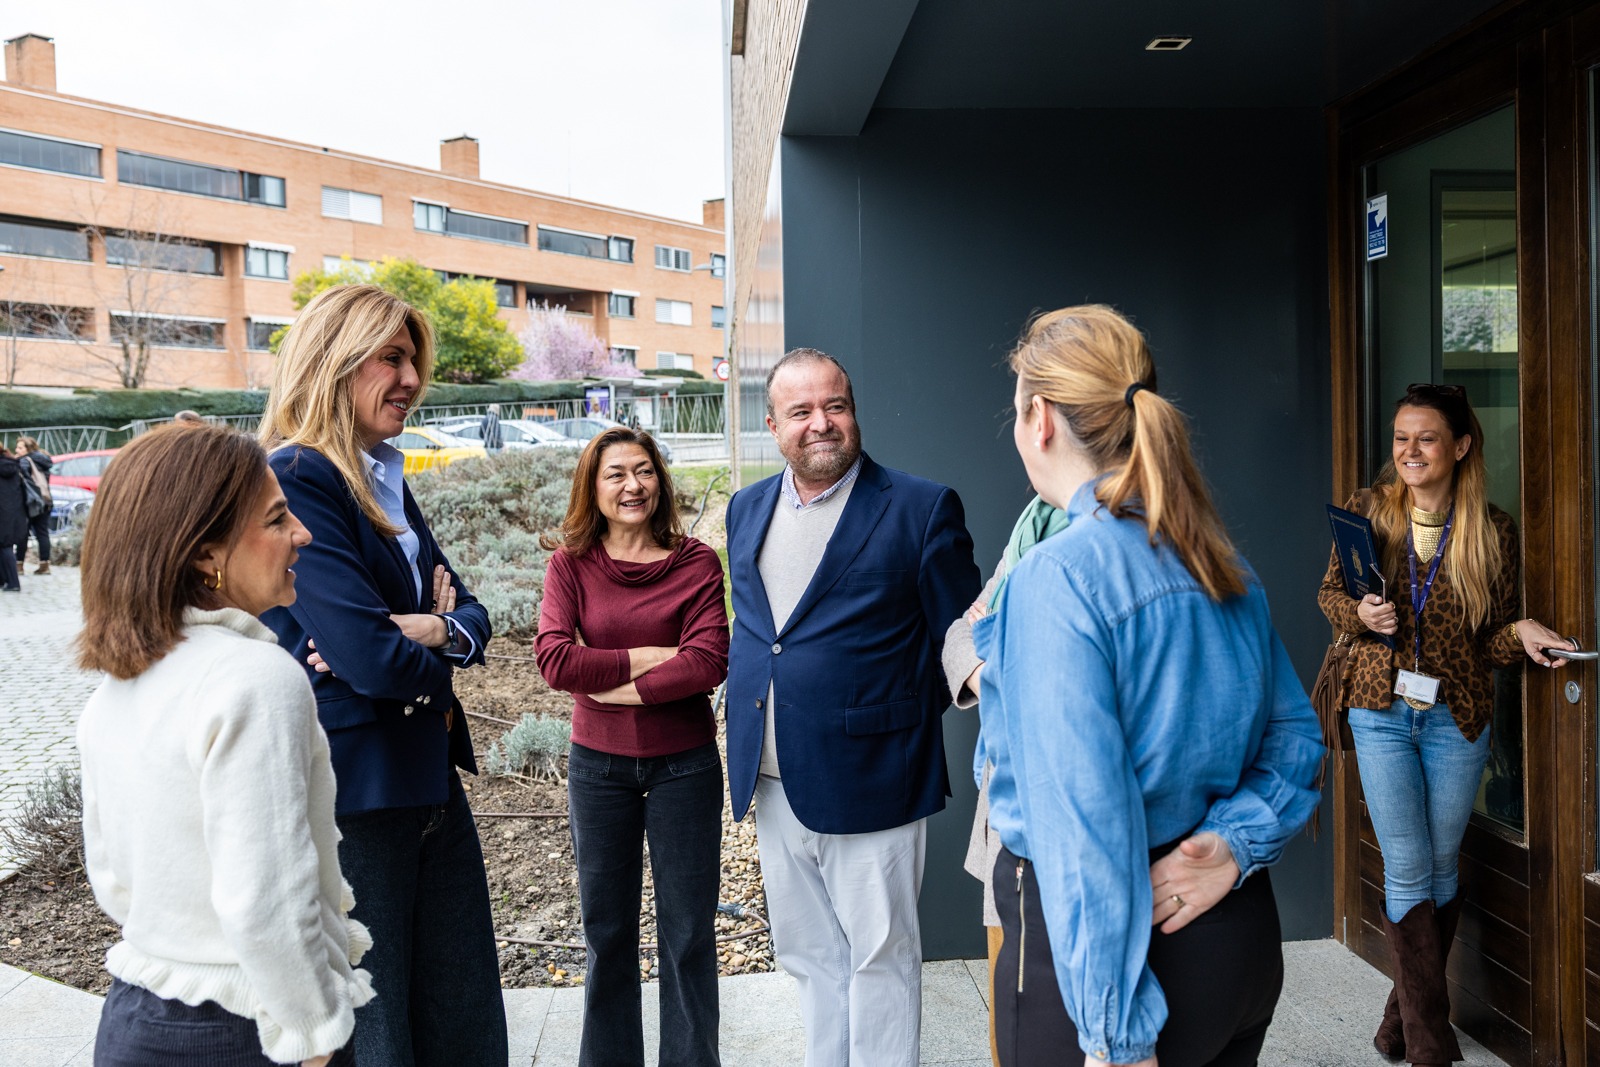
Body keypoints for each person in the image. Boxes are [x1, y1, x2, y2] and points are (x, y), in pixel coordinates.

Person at [975, 305, 1324, 1067]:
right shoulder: (1220, 559)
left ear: (1040, 418)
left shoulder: (1056, 578)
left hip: (1112, 969)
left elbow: (1086, 826)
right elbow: (1297, 738)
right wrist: (1235, 842)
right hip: (1234, 942)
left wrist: (1117, 1033)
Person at [257, 284, 506, 1066]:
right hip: (357, 796)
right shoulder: (299, 474)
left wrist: (436, 628)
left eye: (414, 361)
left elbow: (474, 612)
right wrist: (427, 648)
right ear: (334, 361)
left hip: (426, 778)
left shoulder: (379, 475)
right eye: (391, 358)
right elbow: (367, 653)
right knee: (381, 1029)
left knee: (462, 1019)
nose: (411, 379)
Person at [76, 423, 370, 1066]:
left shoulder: (116, 689)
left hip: (134, 1013)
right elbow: (268, 896)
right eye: (277, 518)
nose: (302, 534)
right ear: (206, 553)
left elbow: (113, 880)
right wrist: (314, 1031)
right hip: (248, 1028)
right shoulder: (255, 678)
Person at [724, 347, 980, 1067]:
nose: (821, 423)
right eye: (801, 411)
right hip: (772, 777)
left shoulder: (921, 506)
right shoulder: (747, 508)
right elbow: (764, 633)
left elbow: (961, 635)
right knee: (809, 956)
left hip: (875, 776)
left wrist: (892, 717)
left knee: (880, 958)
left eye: (835, 405)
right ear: (773, 425)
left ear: (854, 411)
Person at [1318, 382, 1573, 1066]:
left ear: (1459, 447)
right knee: (1407, 865)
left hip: (1457, 717)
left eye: (1426, 438)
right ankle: (1432, 1045)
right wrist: (1359, 614)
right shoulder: (1367, 510)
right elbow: (1330, 593)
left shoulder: (1492, 529)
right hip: (1379, 709)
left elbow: (1489, 637)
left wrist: (1521, 631)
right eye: (1401, 438)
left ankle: (1399, 1023)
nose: (1410, 450)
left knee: (1437, 866)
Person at [535, 426, 730, 1067]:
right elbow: (555, 660)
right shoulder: (570, 565)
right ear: (592, 488)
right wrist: (651, 657)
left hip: (685, 767)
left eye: (643, 471)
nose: (632, 485)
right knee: (607, 932)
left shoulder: (696, 562)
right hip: (598, 771)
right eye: (615, 473)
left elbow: (708, 661)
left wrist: (607, 681)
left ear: (660, 482)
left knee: (689, 934)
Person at [941, 494, 1068, 1067]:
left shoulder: (1107, 551)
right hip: (1009, 811)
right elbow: (959, 633)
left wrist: (1000, 658)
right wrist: (994, 677)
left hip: (1069, 814)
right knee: (1012, 1006)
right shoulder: (1033, 525)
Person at [15, 436, 52, 574]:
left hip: (29, 503)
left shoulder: (24, 461)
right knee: (42, 533)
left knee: (22, 534)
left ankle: (19, 565)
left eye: (20, 447)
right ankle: (45, 565)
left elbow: (23, 483)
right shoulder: (43, 460)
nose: (16, 450)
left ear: (28, 449)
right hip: (45, 501)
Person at [0, 444, 26, 592]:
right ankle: (4, 579)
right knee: (5, 546)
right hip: (14, 513)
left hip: (3, 514)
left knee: (5, 547)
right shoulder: (12, 464)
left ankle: (13, 582)